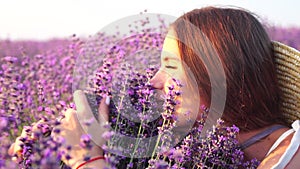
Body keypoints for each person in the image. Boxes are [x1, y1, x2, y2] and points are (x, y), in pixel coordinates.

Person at [9, 6, 300, 169]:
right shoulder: (197, 148)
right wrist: (42, 151)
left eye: (170, 66)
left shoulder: (291, 157)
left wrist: (86, 160)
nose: (153, 82)